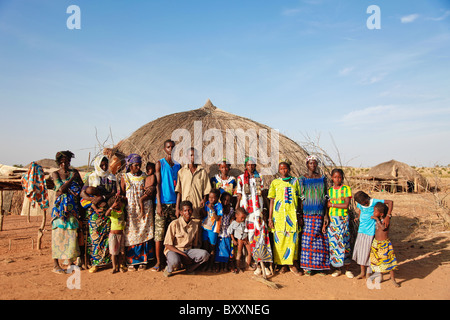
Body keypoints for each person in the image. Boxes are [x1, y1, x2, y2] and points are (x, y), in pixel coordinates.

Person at [236, 157, 272, 275]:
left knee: (261, 236)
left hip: (258, 211)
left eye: (252, 165)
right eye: (248, 165)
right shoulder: (241, 178)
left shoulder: (259, 177)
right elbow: (239, 195)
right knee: (250, 237)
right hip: (247, 212)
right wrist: (237, 209)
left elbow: (262, 194)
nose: (250, 167)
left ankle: (263, 264)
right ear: (245, 166)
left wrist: (264, 211)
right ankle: (255, 263)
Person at [81, 155, 117, 273]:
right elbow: (82, 193)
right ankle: (95, 263)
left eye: (106, 164)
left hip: (108, 209)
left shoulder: (112, 177)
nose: (104, 166)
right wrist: (93, 201)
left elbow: (114, 193)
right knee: (95, 237)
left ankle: (108, 261)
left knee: (108, 237)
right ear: (97, 164)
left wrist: (103, 197)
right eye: (102, 164)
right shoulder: (91, 177)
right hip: (95, 212)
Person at [120, 153, 155, 271]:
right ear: (130, 165)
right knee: (131, 233)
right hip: (131, 210)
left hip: (145, 209)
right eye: (136, 165)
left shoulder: (145, 176)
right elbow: (123, 194)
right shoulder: (125, 177)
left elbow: (150, 191)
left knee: (143, 232)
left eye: (139, 165)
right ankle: (132, 261)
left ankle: (143, 260)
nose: (138, 168)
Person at [50, 150, 83, 274]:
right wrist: (71, 180)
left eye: (67, 162)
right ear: (59, 163)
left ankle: (70, 262)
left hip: (72, 210)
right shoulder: (55, 174)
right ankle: (56, 265)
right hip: (59, 211)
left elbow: (81, 187)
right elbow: (61, 189)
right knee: (57, 237)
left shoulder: (75, 172)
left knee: (71, 237)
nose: (65, 164)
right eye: (62, 162)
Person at [268, 160, 301, 275]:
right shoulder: (275, 183)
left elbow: (300, 199)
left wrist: (299, 214)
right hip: (279, 217)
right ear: (279, 170)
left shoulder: (295, 181)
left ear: (289, 169)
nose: (283, 171)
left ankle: (291, 264)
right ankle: (283, 265)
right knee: (280, 240)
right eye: (281, 169)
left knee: (292, 240)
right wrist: (270, 217)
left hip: (292, 216)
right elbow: (271, 200)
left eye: (285, 168)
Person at [299, 155, 330, 275]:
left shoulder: (322, 178)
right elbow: (301, 197)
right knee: (308, 239)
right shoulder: (302, 179)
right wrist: (300, 215)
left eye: (315, 163)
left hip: (320, 212)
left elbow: (326, 196)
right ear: (307, 164)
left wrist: (326, 215)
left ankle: (320, 266)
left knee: (321, 239)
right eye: (310, 163)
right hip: (307, 213)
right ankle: (308, 266)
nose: (313, 165)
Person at [153, 139, 181, 272]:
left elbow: (179, 187)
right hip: (163, 203)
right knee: (159, 234)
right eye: (168, 147)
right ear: (165, 149)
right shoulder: (160, 164)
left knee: (174, 235)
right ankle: (159, 262)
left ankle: (173, 260)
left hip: (174, 203)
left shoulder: (178, 166)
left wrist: (177, 207)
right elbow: (157, 185)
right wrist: (158, 203)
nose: (171, 149)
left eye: (173, 147)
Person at [353, 190, 393, 279]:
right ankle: (362, 272)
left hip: (370, 232)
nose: (365, 205)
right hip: (361, 231)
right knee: (360, 253)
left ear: (367, 198)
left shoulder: (374, 202)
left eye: (365, 203)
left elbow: (390, 202)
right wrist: (358, 217)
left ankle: (368, 273)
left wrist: (388, 216)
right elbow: (360, 209)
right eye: (362, 204)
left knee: (368, 253)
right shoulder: (361, 204)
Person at [163, 200, 210, 277]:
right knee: (175, 261)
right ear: (181, 212)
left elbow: (195, 244)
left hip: (188, 251)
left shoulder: (195, 225)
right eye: (185, 211)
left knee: (205, 255)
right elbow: (168, 245)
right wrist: (183, 255)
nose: (187, 213)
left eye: (189, 210)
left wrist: (192, 258)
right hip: (175, 250)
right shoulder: (174, 224)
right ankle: (169, 268)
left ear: (192, 211)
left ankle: (189, 268)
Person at [325, 168, 354, 278]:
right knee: (334, 244)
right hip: (333, 219)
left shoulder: (346, 189)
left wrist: (332, 205)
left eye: (339, 177)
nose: (337, 179)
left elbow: (345, 205)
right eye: (335, 177)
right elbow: (326, 206)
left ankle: (347, 269)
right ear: (332, 178)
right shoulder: (330, 190)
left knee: (345, 242)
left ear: (342, 177)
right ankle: (337, 268)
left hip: (343, 218)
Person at [175, 147, 211, 221]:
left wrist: (204, 201)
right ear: (186, 157)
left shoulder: (202, 172)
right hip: (185, 210)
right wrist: (177, 208)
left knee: (196, 230)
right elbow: (179, 192)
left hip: (197, 209)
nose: (193, 157)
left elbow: (206, 191)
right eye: (191, 155)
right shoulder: (181, 172)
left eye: (195, 155)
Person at [370, 202, 399, 287]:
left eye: (375, 212)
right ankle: (380, 277)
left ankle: (393, 279)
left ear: (381, 214)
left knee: (389, 262)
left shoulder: (386, 220)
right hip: (376, 243)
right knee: (377, 261)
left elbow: (383, 228)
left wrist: (377, 220)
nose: (373, 213)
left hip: (384, 244)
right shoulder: (378, 219)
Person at [201, 189, 223, 271]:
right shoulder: (207, 203)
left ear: (217, 198)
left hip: (213, 230)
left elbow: (217, 218)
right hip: (205, 228)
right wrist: (202, 206)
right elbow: (203, 214)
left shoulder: (219, 206)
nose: (211, 199)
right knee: (205, 247)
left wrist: (213, 209)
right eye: (210, 197)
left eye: (213, 198)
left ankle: (211, 265)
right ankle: (205, 265)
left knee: (212, 248)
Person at [105, 196, 127, 274]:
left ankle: (121, 265)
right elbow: (106, 214)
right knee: (114, 253)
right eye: (117, 204)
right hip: (113, 235)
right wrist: (112, 206)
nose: (119, 204)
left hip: (121, 234)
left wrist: (119, 197)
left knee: (121, 252)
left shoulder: (121, 209)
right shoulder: (112, 212)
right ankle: (114, 267)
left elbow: (125, 200)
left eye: (119, 203)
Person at [214, 192, 234, 272]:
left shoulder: (231, 209)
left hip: (227, 231)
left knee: (226, 248)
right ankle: (218, 266)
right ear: (221, 200)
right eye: (224, 200)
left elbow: (232, 218)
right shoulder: (218, 207)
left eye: (228, 200)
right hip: (219, 230)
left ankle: (225, 266)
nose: (226, 202)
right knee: (218, 249)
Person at [227, 207, 251, 273]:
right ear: (236, 216)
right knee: (239, 252)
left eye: (244, 218)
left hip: (245, 239)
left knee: (250, 252)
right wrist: (234, 240)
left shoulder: (244, 222)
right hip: (239, 239)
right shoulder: (234, 223)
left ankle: (247, 266)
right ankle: (238, 266)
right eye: (242, 218)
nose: (243, 219)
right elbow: (230, 232)